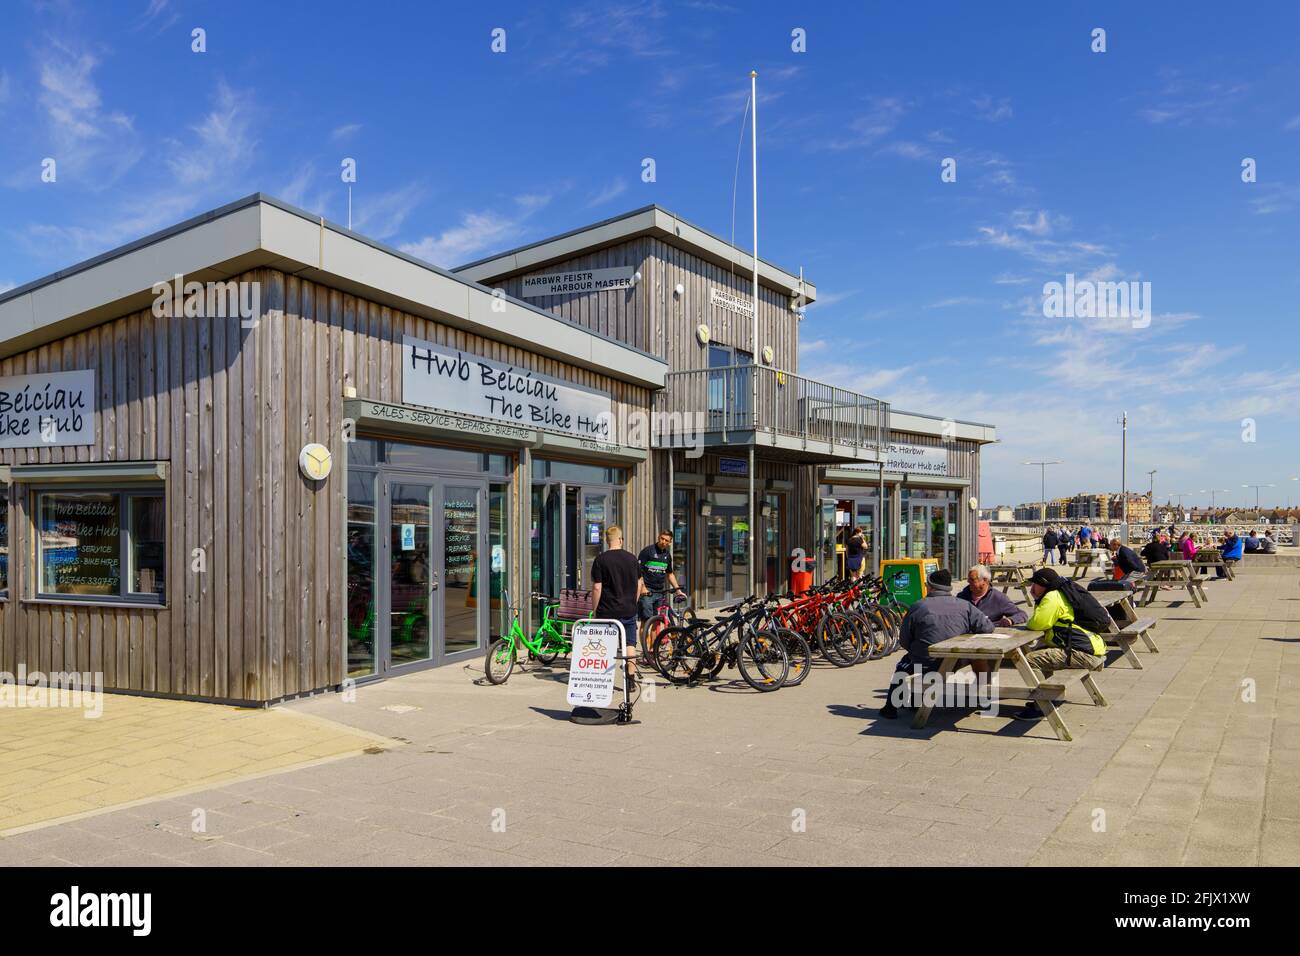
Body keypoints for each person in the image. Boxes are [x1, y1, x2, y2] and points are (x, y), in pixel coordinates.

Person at [880, 569, 994, 719]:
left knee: (904, 665)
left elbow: (904, 639)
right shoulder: (965, 605)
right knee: (977, 659)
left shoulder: (918, 606)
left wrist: (915, 650)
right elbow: (987, 628)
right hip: (956, 661)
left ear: (931, 587)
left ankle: (890, 708)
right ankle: (985, 698)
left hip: (927, 661)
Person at [1014, 567, 1108, 721]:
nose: (1032, 588)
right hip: (1091, 648)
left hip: (1083, 653)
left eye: (1034, 584)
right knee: (1042, 652)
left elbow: (1037, 623)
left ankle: (1042, 707)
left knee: (1028, 660)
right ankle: (1050, 698)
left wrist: (1037, 600)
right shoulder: (1062, 593)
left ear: (1043, 584)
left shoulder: (1052, 597)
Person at [590, 525, 644, 677]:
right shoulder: (632, 558)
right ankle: (631, 678)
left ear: (607, 541)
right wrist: (633, 601)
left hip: (607, 611)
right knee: (630, 644)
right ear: (621, 540)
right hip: (628, 609)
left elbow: (597, 588)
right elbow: (640, 583)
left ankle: (604, 679)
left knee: (604, 645)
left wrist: (594, 609)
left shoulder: (601, 559)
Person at [637, 529, 685, 627]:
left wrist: (678, 590)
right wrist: (643, 588)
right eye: (662, 539)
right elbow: (638, 571)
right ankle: (645, 638)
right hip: (647, 592)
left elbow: (670, 574)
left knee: (657, 623)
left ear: (670, 542)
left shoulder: (667, 555)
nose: (663, 542)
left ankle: (656, 638)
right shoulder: (647, 551)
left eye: (666, 540)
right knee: (646, 622)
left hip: (660, 592)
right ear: (658, 537)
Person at [957, 565, 1028, 627]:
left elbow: (1022, 614)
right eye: (968, 579)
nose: (968, 581)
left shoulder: (998, 598)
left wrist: (1010, 620)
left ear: (985, 580)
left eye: (972, 579)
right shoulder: (961, 597)